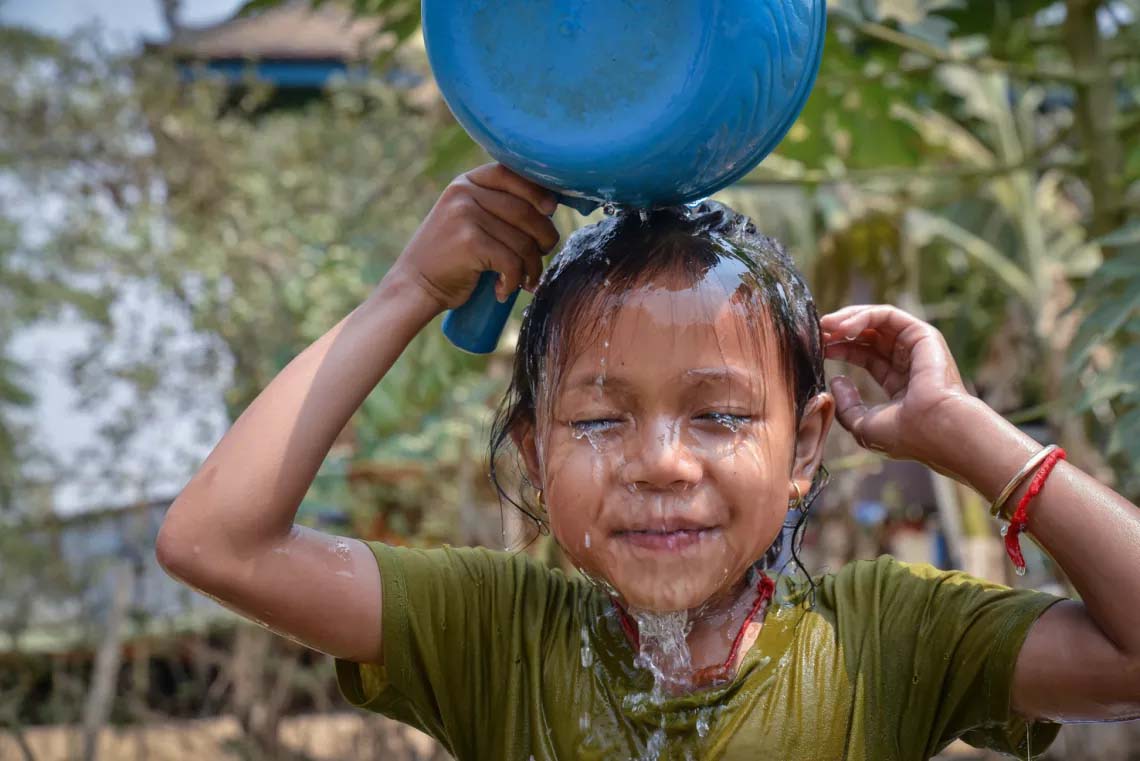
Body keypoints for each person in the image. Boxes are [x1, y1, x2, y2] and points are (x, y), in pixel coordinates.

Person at [156, 163, 1140, 761]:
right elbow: (215, 540)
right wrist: (408, 287)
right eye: (598, 421)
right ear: (533, 456)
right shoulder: (491, 632)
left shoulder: (889, 638)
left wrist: (971, 432)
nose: (661, 462)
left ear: (803, 446)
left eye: (717, 414)